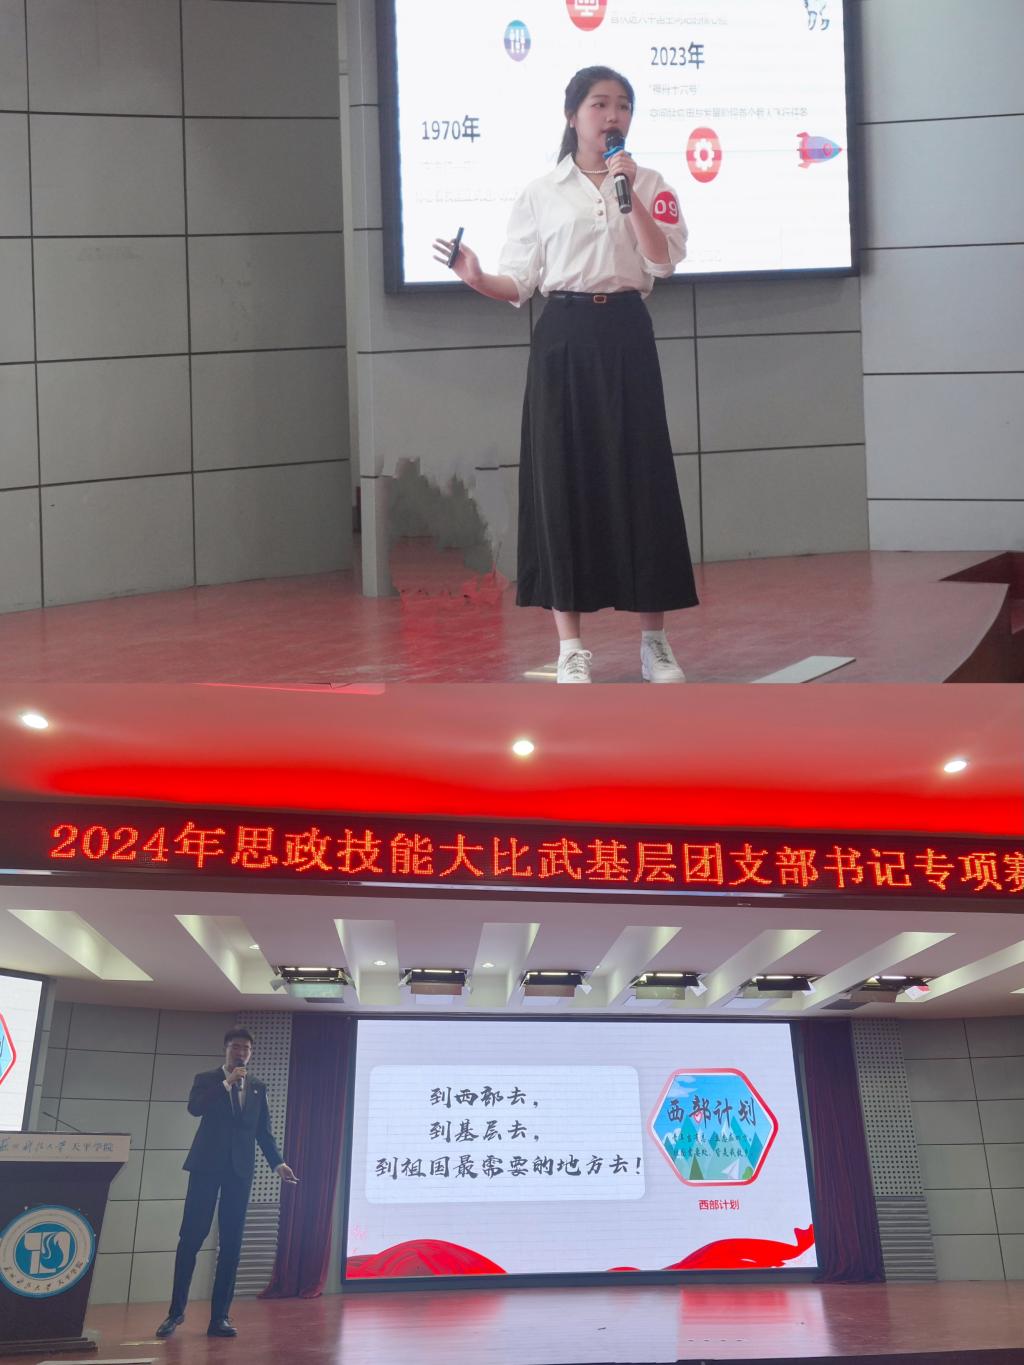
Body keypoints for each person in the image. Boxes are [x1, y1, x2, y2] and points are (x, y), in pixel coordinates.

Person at [433, 66, 699, 684]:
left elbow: (662, 262)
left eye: (623, 105)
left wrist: (628, 194)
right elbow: (519, 283)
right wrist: (476, 276)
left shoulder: (650, 183)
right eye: (600, 104)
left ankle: (654, 642)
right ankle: (570, 646)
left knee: (642, 479)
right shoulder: (541, 192)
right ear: (572, 116)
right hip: (564, 337)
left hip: (626, 333)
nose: (613, 115)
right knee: (562, 479)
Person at [155, 1026, 298, 1340]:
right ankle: (175, 1313)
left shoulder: (258, 1088)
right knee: (190, 1239)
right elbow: (195, 1108)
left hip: (239, 1173)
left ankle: (219, 1317)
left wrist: (278, 1163)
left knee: (231, 1245)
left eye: (246, 1048)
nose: (241, 1052)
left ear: (251, 1053)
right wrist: (226, 1083)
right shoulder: (207, 1080)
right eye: (236, 1046)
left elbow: (262, 1131)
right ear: (226, 1049)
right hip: (206, 1168)